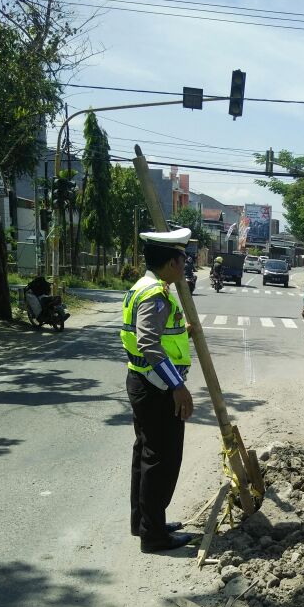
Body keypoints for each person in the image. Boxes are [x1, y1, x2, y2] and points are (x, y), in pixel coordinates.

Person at [121, 227, 197, 553]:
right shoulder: (156, 295)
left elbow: (162, 336)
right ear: (170, 262)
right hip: (157, 387)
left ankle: (145, 523)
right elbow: (149, 343)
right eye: (183, 260)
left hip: (143, 382)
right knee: (161, 460)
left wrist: (185, 332)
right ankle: (154, 537)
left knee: (146, 455)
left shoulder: (146, 287)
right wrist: (178, 386)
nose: (186, 266)